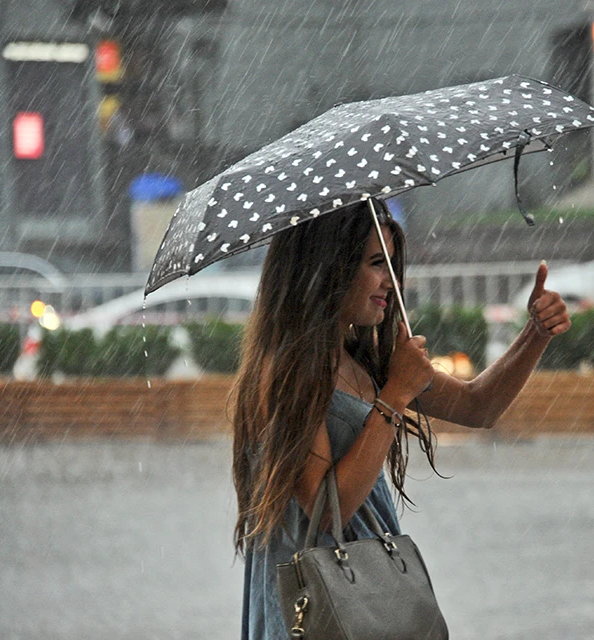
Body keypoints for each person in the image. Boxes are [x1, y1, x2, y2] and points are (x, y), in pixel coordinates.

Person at [232, 199, 571, 639]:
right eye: (376, 264)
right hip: (315, 603)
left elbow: (478, 405)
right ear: (329, 267)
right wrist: (395, 395)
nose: (390, 281)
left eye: (392, 264)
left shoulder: (366, 361)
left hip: (365, 595)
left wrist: (535, 334)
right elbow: (323, 507)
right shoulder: (288, 371)